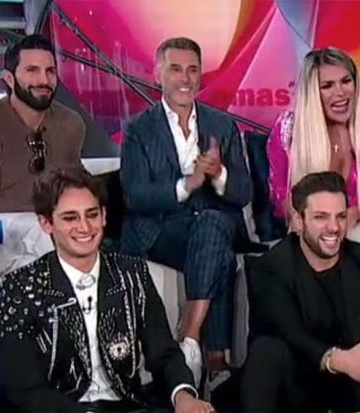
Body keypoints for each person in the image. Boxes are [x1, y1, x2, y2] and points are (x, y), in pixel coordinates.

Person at [0, 167, 214, 413]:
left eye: (92, 215)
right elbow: (24, 387)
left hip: (129, 406)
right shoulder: (21, 287)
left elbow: (164, 353)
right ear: (46, 224)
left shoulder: (133, 274)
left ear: (104, 216)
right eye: (70, 218)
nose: (85, 227)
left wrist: (183, 395)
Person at [120, 37, 251, 388]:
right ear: (158, 73)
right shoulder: (138, 129)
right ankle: (215, 360)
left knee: (213, 229)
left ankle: (190, 340)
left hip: (210, 228)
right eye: (175, 69)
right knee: (219, 249)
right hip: (160, 231)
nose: (185, 78)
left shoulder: (222, 125)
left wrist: (219, 174)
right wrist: (187, 185)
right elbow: (134, 195)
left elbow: (243, 193)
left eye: (193, 70)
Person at [240, 172, 360, 412]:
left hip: (356, 387)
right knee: (266, 350)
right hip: (297, 387)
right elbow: (289, 333)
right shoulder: (271, 268)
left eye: (340, 216)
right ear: (299, 221)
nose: (334, 227)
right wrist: (339, 360)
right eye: (321, 217)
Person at [267, 47, 360, 247]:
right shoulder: (289, 128)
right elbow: (280, 190)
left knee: (355, 242)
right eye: (327, 86)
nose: (340, 92)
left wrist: (355, 214)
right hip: (314, 223)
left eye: (346, 81)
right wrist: (305, 221)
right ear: (312, 92)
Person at [0, 34, 85, 213]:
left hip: (59, 226)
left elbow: (75, 184)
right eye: (32, 70)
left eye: (50, 71)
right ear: (9, 78)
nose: (44, 80)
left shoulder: (70, 124)